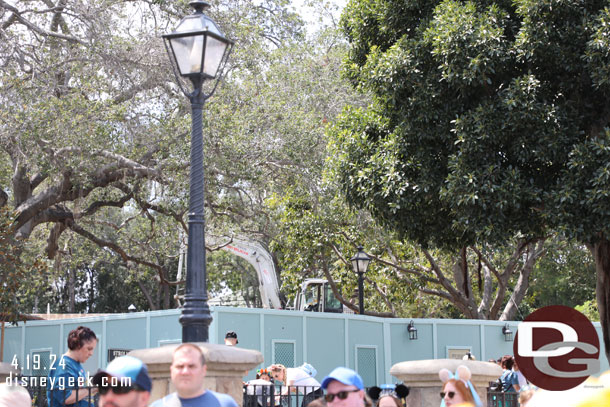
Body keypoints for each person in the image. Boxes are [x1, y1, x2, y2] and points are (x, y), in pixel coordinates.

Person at [151, 343, 238, 407]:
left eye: (191, 366)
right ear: (171, 370)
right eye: (180, 366)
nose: (185, 371)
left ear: (203, 370)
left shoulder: (225, 404)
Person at [47, 326, 98, 407]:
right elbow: (66, 397)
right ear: (78, 345)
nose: (91, 353)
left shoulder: (75, 365)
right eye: (89, 349)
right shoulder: (63, 365)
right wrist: (90, 390)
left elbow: (80, 393)